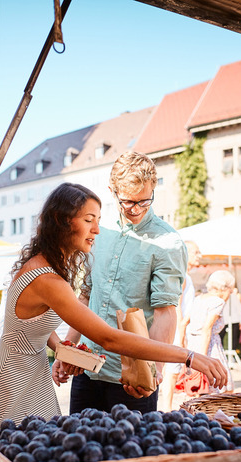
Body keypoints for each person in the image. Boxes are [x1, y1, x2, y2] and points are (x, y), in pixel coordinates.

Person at [0, 183, 227, 453]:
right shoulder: (48, 279)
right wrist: (188, 356)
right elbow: (108, 338)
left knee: (34, 458)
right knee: (9, 461)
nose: (97, 230)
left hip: (29, 372)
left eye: (98, 220)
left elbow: (31, 325)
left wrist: (62, 349)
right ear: (62, 221)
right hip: (13, 378)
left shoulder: (45, 266)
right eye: (89, 220)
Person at [55, 151, 189, 415]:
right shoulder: (98, 232)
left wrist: (155, 372)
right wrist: (66, 349)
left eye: (144, 201)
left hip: (132, 377)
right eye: (128, 201)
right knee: (79, 451)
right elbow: (85, 297)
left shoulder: (168, 243)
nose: (136, 209)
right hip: (87, 369)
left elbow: (165, 312)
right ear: (112, 191)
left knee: (128, 454)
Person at [176, 270, 236, 396]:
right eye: (230, 290)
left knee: (200, 389)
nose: (230, 294)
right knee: (223, 387)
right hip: (208, 346)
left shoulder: (198, 299)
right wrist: (203, 358)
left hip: (193, 345)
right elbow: (206, 330)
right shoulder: (218, 302)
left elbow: (183, 323)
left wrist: (182, 346)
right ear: (224, 288)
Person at [160, 240, 201, 412]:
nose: (200, 256)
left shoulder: (185, 276)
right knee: (172, 371)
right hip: (177, 327)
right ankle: (166, 408)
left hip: (180, 327)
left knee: (173, 371)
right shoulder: (182, 275)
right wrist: (181, 332)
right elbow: (177, 305)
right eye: (196, 252)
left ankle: (167, 407)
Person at [219, 285, 241, 359]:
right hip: (226, 320)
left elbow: (239, 308)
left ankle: (230, 357)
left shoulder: (233, 296)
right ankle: (222, 356)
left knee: (233, 339)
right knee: (221, 338)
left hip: (232, 319)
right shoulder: (221, 296)